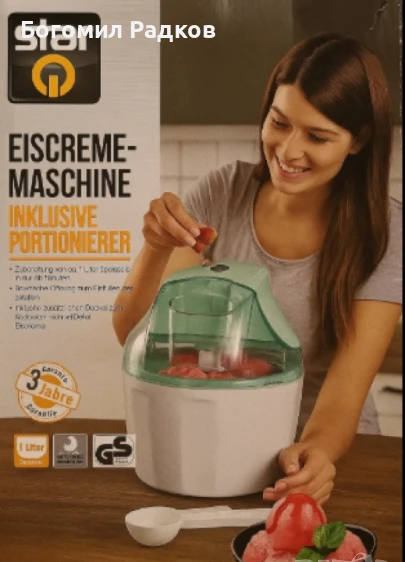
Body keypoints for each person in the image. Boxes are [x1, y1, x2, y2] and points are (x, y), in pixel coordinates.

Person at [113, 33, 402, 505]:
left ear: (359, 140)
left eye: (317, 136)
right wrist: (155, 248)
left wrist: (312, 456)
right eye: (279, 122)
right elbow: (134, 334)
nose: (288, 151)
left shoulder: (384, 232)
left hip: (321, 462)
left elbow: (342, 397)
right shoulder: (221, 194)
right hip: (215, 444)